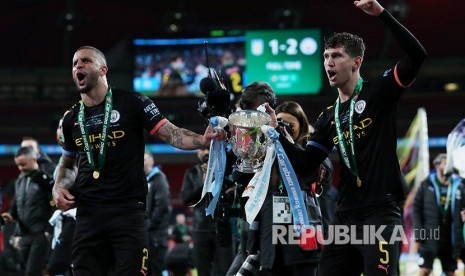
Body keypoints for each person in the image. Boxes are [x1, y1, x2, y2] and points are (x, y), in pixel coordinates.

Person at [274, 1, 427, 275]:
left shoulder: (379, 92)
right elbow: (306, 164)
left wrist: (382, 14)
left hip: (381, 212)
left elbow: (417, 55)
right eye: (325, 56)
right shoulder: (326, 117)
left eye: (336, 56)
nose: (328, 62)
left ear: (356, 61)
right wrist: (278, 136)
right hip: (346, 216)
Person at [52, 45, 223, 276]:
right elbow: (68, 163)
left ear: (103, 69)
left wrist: (202, 140)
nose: (78, 66)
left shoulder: (133, 102)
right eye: (74, 63)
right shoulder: (71, 118)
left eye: (85, 61)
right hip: (88, 213)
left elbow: (170, 132)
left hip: (127, 211)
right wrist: (59, 185)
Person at [239, 94, 333, 276]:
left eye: (290, 124)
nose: (284, 128)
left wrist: (286, 143)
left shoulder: (311, 152)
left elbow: (316, 177)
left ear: (302, 126)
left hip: (302, 243)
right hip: (270, 244)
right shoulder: (266, 155)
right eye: (279, 122)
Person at [180, 148, 235, 276]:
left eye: (208, 149)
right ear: (197, 153)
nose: (206, 152)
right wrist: (205, 183)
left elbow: (232, 194)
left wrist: (218, 178)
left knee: (224, 270)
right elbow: (185, 198)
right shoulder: (192, 172)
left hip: (222, 227)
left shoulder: (225, 170)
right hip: (200, 229)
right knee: (203, 270)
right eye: (203, 149)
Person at [1, 146, 54, 276]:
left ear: (34, 159)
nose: (20, 168)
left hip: (40, 234)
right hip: (24, 235)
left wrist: (48, 231)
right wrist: (10, 215)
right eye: (18, 165)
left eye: (23, 164)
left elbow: (55, 204)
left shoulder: (45, 179)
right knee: (27, 271)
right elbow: (16, 206)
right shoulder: (19, 181)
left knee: (32, 272)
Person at [412, 153, 465, 276]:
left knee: (451, 272)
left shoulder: (459, 186)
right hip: (430, 237)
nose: (450, 166)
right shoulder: (426, 184)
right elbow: (416, 208)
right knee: (425, 270)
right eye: (446, 163)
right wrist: (419, 231)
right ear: (437, 165)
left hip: (450, 239)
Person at [144, 150, 171, 276]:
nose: (142, 163)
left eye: (144, 160)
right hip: (146, 234)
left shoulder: (159, 179)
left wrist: (149, 223)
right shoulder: (143, 180)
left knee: (155, 269)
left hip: (156, 236)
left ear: (151, 161)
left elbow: (162, 204)